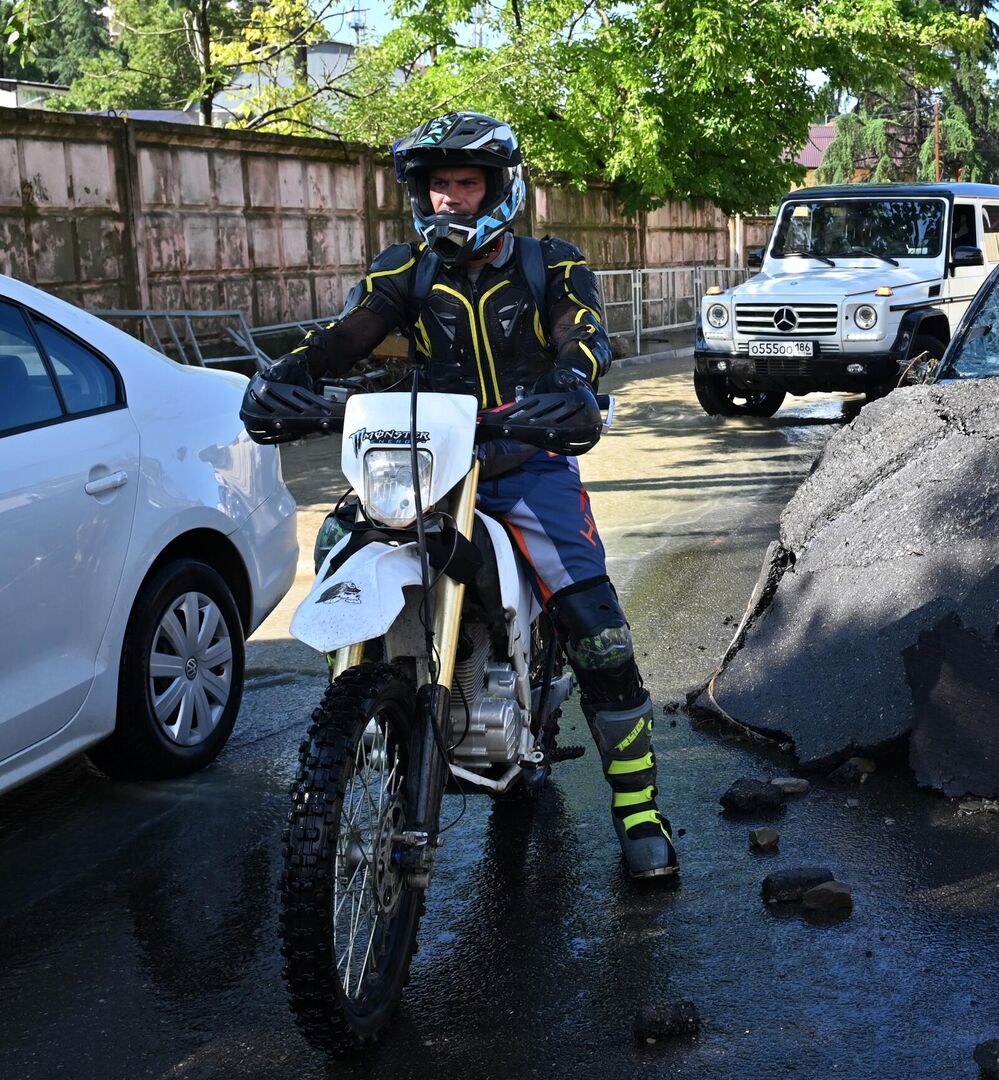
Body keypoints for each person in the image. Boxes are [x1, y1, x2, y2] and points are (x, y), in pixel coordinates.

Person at [244, 112, 677, 881]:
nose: (449, 198)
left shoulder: (554, 264)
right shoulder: (405, 269)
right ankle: (367, 711)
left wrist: (574, 384)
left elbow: (583, 334)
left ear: (501, 189)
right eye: (437, 183)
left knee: (598, 628)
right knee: (339, 546)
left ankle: (639, 811)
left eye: (465, 182)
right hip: (420, 463)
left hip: (523, 461)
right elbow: (351, 333)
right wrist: (292, 376)